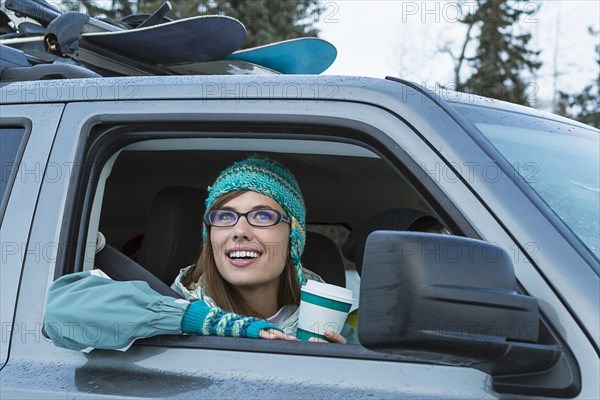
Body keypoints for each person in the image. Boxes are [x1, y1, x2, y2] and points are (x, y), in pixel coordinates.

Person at [44, 155, 354, 351]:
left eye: (262, 216)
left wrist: (342, 362)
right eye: (224, 216)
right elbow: (59, 312)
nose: (239, 230)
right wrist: (197, 320)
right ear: (211, 238)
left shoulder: (334, 332)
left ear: (293, 238)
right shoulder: (164, 306)